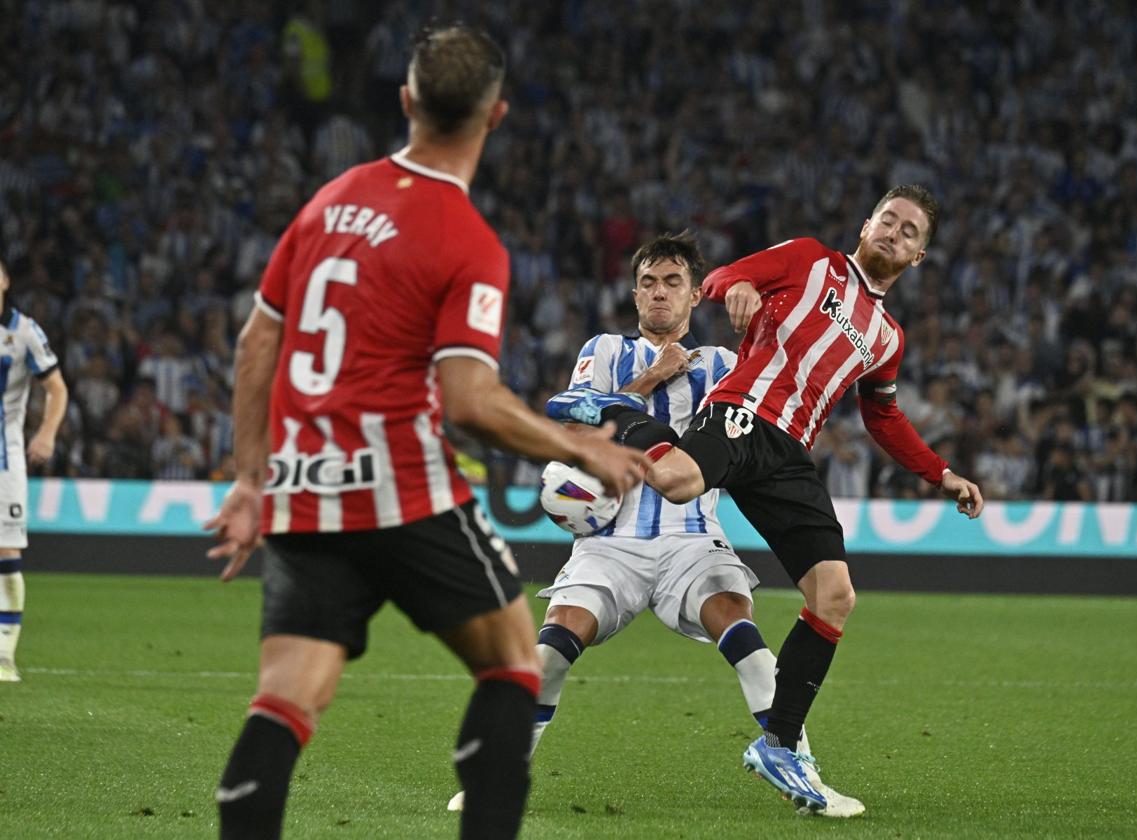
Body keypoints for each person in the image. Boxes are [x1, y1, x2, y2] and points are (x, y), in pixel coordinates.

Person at [203, 27, 648, 840]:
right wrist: (580, 444)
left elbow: (255, 343)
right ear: (498, 116)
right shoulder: (465, 239)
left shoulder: (329, 201)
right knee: (515, 664)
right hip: (402, 488)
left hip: (304, 492)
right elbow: (469, 400)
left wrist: (248, 479)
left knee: (288, 696)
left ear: (406, 102)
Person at [556, 186, 985, 813]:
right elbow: (725, 276)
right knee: (674, 480)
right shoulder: (812, 260)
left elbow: (884, 417)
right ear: (866, 226)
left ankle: (779, 744)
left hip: (788, 454)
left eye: (910, 231)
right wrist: (741, 288)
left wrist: (938, 472)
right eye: (887, 220)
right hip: (742, 411)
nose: (894, 232)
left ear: (919, 256)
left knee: (835, 595)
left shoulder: (888, 337)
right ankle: (614, 409)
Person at [448, 232, 864, 816]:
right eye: (648, 282)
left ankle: (800, 769)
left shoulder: (726, 365)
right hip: (609, 542)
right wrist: (649, 380)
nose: (659, 293)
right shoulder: (606, 349)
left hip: (693, 539)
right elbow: (567, 416)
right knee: (550, 651)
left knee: (746, 640)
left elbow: (748, 444)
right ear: (635, 292)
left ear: (696, 295)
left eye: (672, 283)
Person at [0, 257, 70, 683]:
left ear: (5, 280)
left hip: (3, 460)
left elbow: (57, 389)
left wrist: (46, 433)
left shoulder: (23, 332)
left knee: (6, 552)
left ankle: (4, 653)